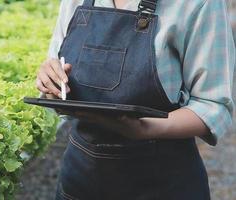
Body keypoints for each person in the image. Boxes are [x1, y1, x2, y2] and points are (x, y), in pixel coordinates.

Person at [36, 0, 235, 199]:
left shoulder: (200, 4)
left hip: (163, 183)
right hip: (80, 179)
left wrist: (146, 129)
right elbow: (58, 72)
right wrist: (52, 84)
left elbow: (213, 105)